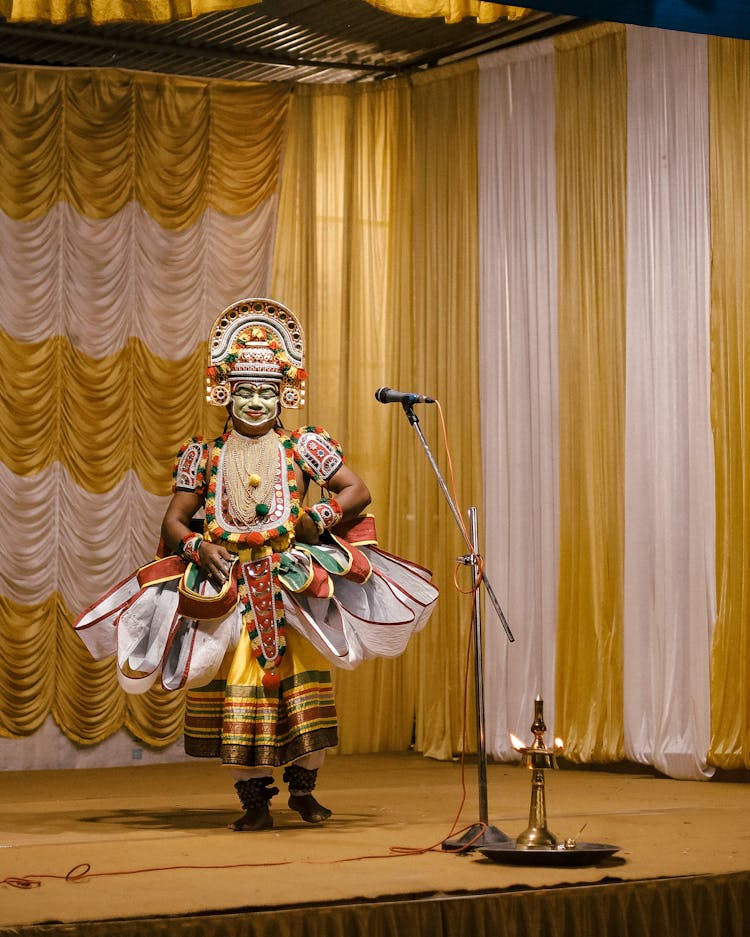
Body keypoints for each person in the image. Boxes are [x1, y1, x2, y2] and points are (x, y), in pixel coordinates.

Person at [74, 298, 438, 832]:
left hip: (293, 586)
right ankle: (254, 802)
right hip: (231, 588)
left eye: (266, 391)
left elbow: (357, 490)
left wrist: (320, 515)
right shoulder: (204, 454)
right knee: (242, 687)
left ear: (284, 393)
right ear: (225, 393)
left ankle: (305, 793)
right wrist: (198, 547)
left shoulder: (303, 445)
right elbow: (172, 523)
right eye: (244, 390)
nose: (255, 401)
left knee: (304, 685)